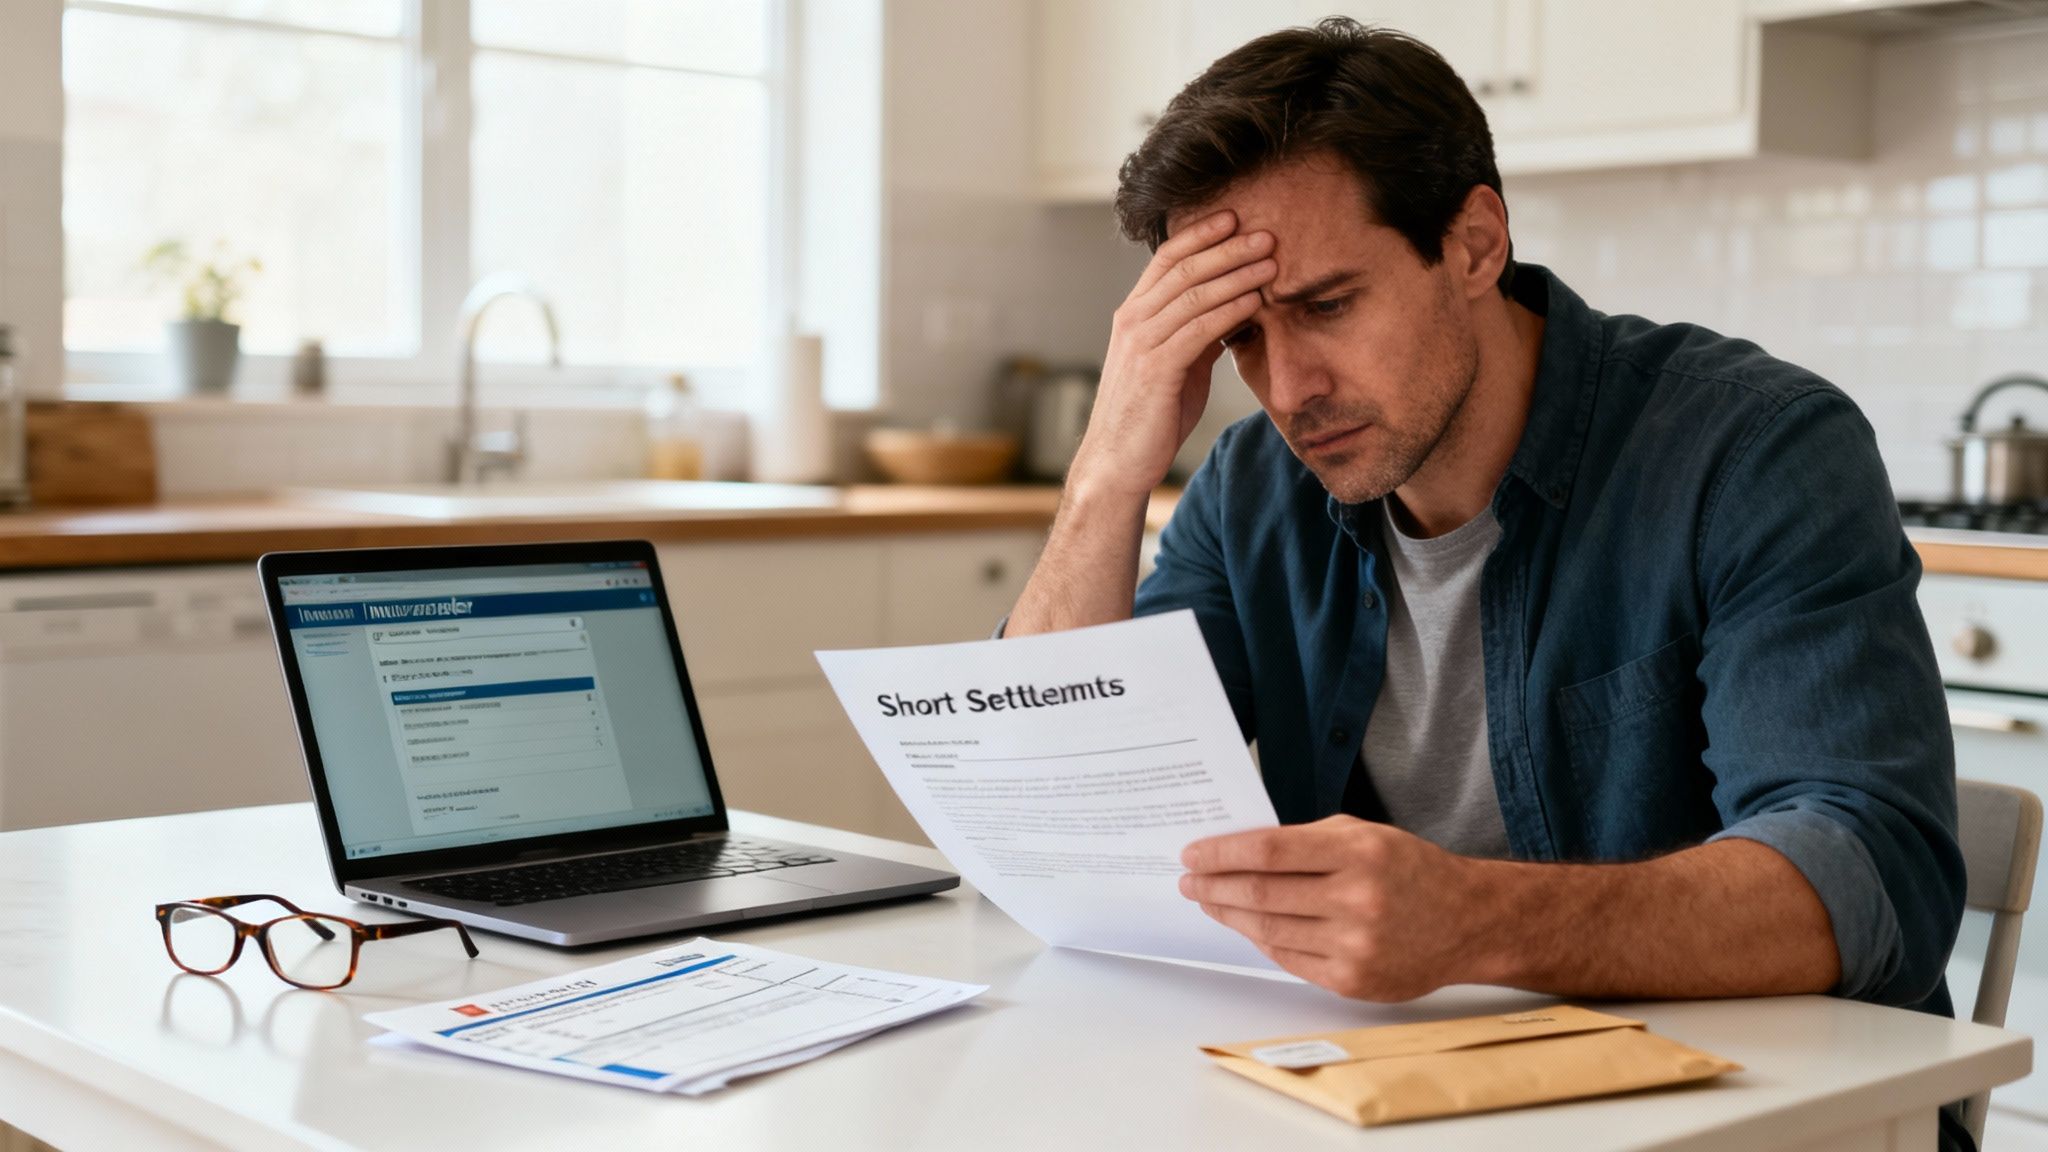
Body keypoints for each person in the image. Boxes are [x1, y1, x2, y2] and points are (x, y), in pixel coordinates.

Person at [1004, 17, 1962, 1037]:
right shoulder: (1251, 486)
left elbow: (1871, 879)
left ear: (1473, 244)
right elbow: (1053, 811)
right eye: (1239, 334)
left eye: (1326, 306)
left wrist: (1470, 920)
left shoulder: (1753, 450)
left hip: (1768, 1097)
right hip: (1405, 1082)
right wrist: (1106, 473)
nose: (1286, 390)